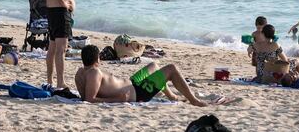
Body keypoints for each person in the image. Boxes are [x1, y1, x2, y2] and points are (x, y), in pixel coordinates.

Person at [74, 45, 221, 106]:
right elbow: (88, 99)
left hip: (133, 83)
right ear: (97, 59)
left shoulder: (81, 72)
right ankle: (194, 101)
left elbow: (84, 95)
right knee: (171, 68)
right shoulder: (94, 72)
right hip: (138, 93)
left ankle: (172, 96)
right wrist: (117, 99)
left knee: (154, 66)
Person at [44, 0, 76, 88]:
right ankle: (60, 82)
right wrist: (64, 4)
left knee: (52, 48)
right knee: (61, 49)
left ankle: (50, 81)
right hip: (59, 13)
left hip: (53, 12)